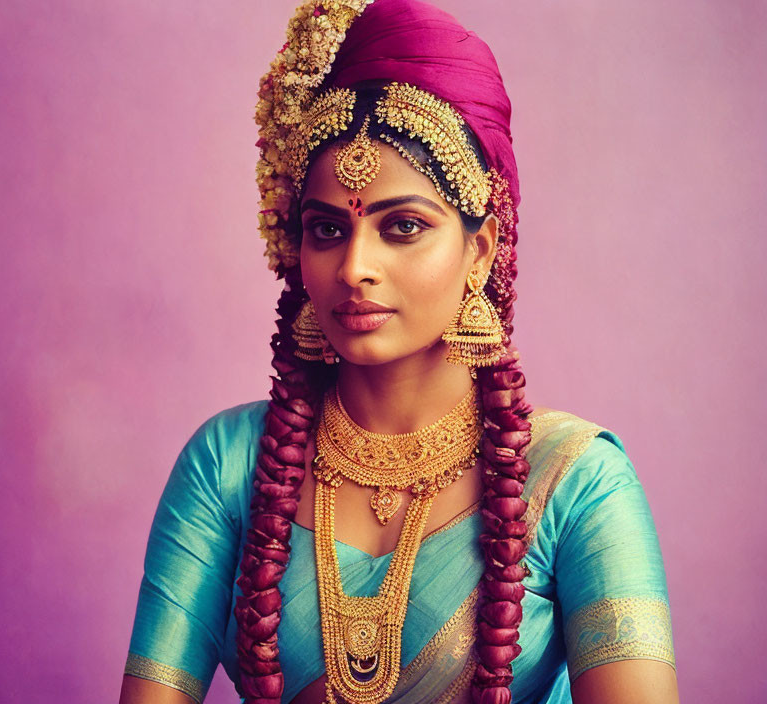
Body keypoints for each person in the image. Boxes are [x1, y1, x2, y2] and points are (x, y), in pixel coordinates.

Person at [119, 1, 678, 702]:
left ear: (479, 250)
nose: (355, 267)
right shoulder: (227, 463)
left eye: (403, 226)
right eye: (326, 230)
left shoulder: (576, 483)